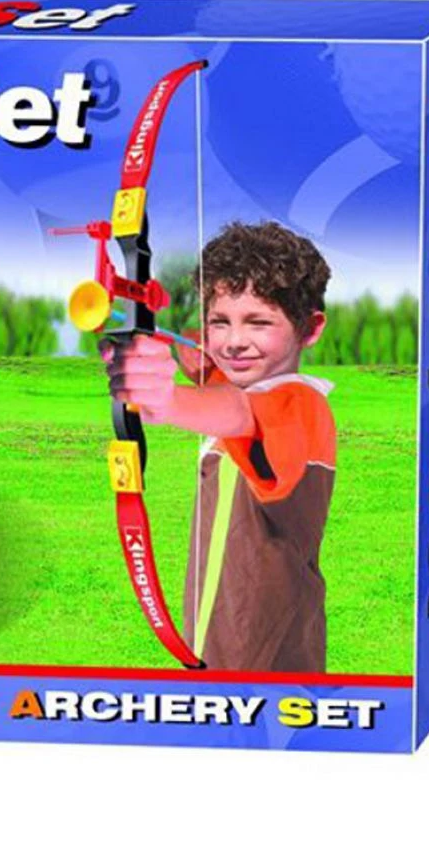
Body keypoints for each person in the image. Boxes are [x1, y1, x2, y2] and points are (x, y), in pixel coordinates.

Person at [104, 221, 335, 672]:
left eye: (259, 322)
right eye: (220, 322)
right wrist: (144, 330)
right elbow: (206, 365)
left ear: (310, 328)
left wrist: (165, 398)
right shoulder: (232, 377)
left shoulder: (300, 403)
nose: (234, 342)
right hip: (212, 647)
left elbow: (240, 413)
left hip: (270, 667)